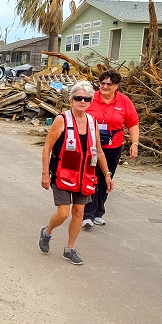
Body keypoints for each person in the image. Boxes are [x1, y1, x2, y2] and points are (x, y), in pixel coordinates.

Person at [39, 81, 114, 265]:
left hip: (85, 175)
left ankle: (69, 249)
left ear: (90, 101)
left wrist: (107, 174)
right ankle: (47, 232)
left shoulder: (92, 121)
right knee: (63, 213)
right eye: (78, 98)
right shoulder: (61, 119)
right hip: (62, 174)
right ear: (71, 100)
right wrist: (45, 174)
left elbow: (99, 150)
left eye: (86, 99)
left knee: (79, 212)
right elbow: (47, 148)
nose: (82, 101)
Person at [82, 69, 139, 228]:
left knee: (106, 179)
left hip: (113, 147)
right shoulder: (90, 97)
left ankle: (99, 212)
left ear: (117, 86)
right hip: (91, 147)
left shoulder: (124, 101)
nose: (105, 86)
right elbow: (77, 115)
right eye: (102, 83)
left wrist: (134, 143)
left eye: (109, 84)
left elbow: (132, 123)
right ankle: (88, 215)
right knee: (92, 178)